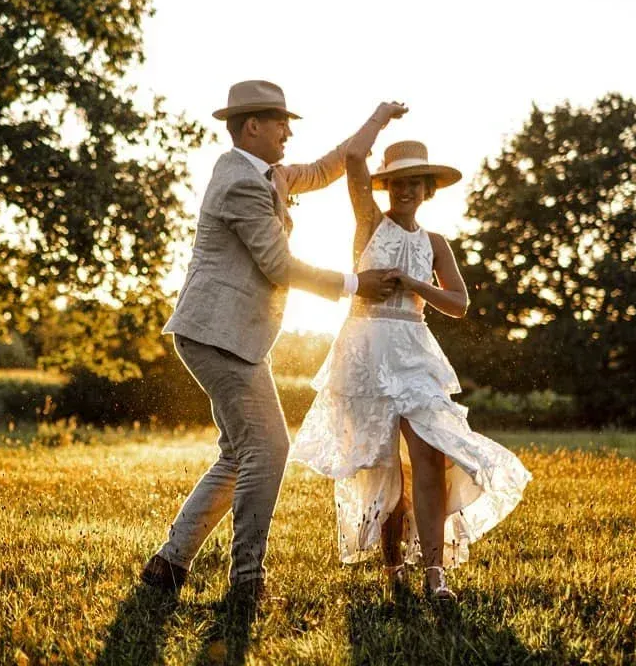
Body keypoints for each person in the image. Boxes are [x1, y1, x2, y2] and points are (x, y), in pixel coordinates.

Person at [141, 80, 402, 602]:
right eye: (280, 122)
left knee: (241, 454)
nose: (287, 131)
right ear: (252, 126)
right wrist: (354, 284)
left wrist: (376, 120)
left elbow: (329, 167)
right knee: (268, 448)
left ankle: (168, 567)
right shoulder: (238, 181)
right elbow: (278, 265)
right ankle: (246, 583)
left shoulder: (272, 175)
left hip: (235, 338)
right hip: (216, 335)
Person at [290, 104, 533, 600]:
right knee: (381, 463)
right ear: (387, 188)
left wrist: (415, 282)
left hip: (414, 349)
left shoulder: (436, 242)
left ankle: (434, 571)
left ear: (429, 190)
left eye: (416, 183)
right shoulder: (368, 222)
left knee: (429, 452)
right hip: (366, 349)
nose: (406, 190)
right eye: (398, 182)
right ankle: (393, 567)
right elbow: (355, 155)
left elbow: (460, 304)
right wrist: (381, 116)